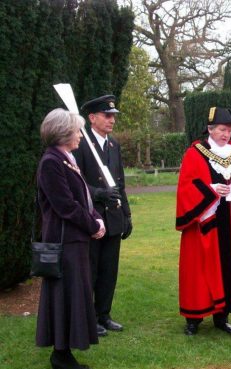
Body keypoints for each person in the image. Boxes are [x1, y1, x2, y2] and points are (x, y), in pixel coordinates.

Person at [176, 107, 231, 335]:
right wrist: (212, 191)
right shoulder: (194, 153)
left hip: (230, 223)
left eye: (230, 130)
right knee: (199, 271)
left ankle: (222, 317)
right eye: (222, 129)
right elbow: (186, 188)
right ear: (210, 129)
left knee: (227, 267)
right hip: (204, 224)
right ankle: (194, 319)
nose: (226, 134)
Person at [36, 108, 106, 369]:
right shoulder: (51, 162)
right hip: (64, 242)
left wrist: (96, 219)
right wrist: (92, 226)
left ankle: (63, 353)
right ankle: (60, 355)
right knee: (64, 295)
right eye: (77, 130)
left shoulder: (64, 158)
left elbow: (84, 197)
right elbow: (66, 206)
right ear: (64, 133)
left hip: (75, 241)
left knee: (73, 294)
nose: (80, 135)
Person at [72, 95, 132, 337]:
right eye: (107, 115)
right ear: (92, 118)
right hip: (93, 217)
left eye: (113, 115)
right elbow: (76, 183)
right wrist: (99, 193)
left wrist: (126, 215)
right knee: (91, 270)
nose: (112, 120)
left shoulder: (113, 145)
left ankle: (104, 314)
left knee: (109, 270)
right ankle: (89, 318)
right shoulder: (81, 145)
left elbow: (120, 184)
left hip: (113, 217)